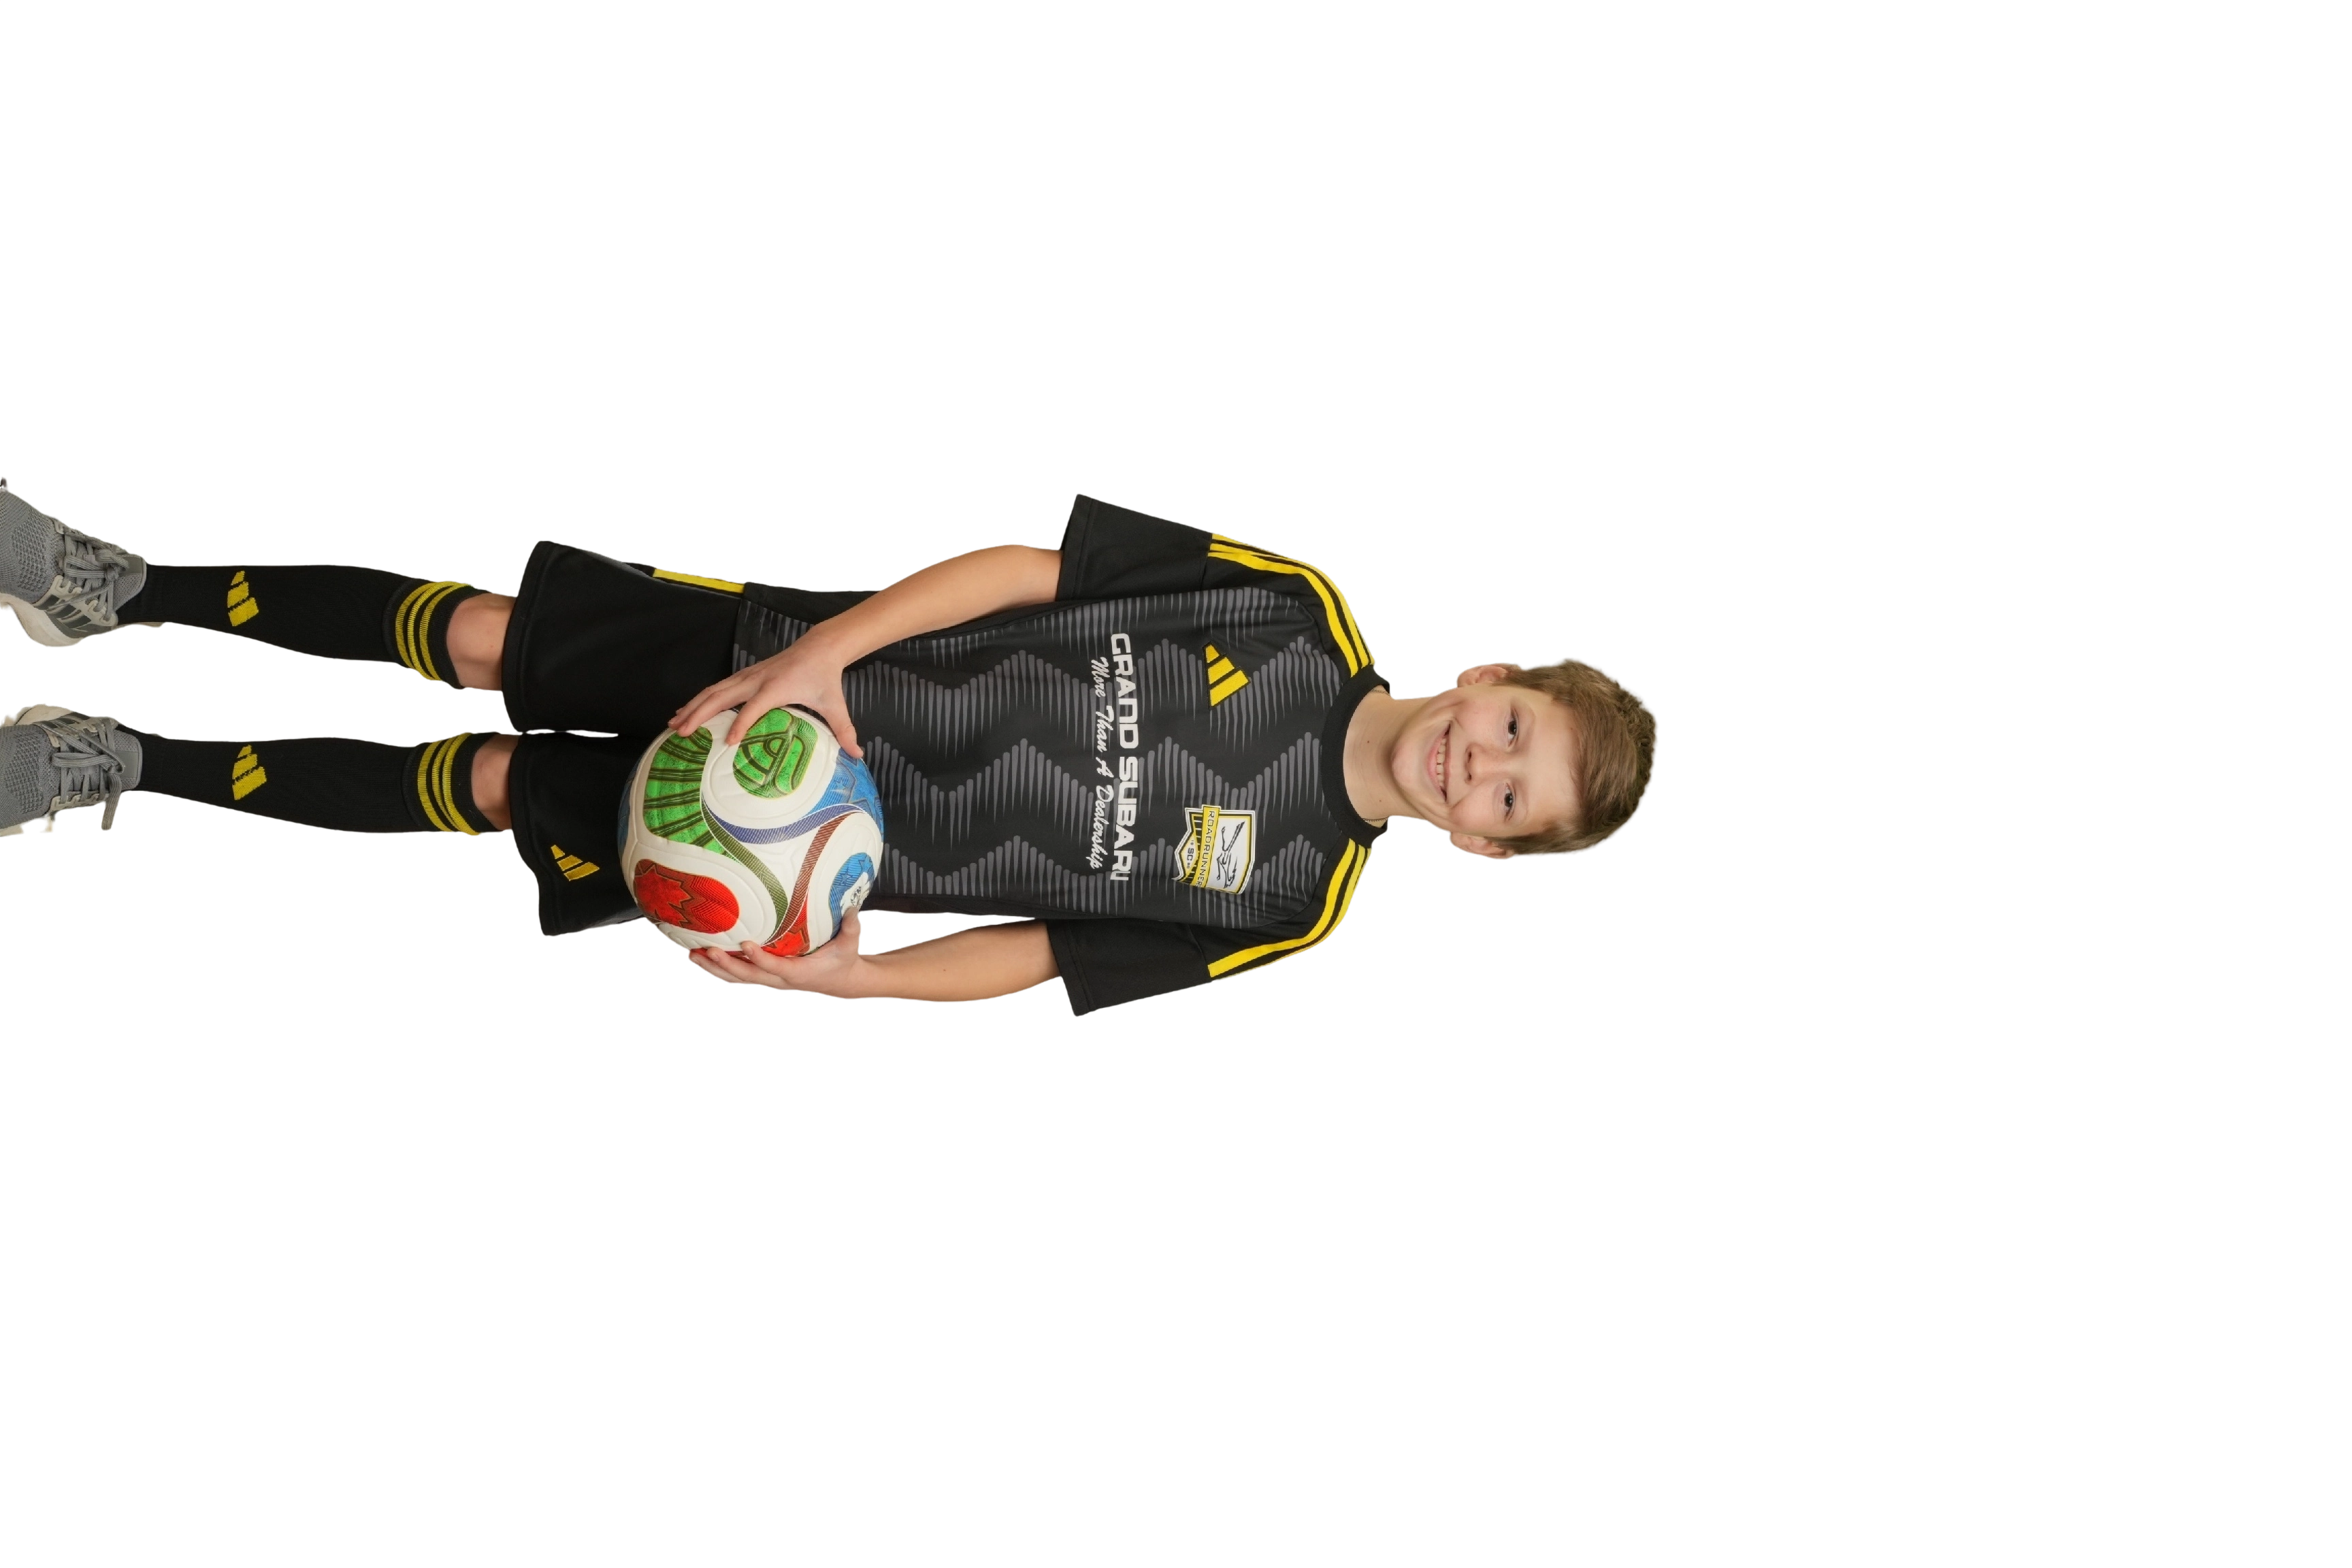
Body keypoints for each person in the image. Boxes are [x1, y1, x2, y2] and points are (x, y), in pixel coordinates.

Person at [2, 485, 1661, 1014]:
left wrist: (858, 979)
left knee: (504, 791)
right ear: (1487, 676)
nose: (1479, 767)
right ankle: (114, 586)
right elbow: (1027, 572)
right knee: (490, 638)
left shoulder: (1287, 903)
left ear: (1487, 846)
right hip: (785, 668)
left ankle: (119, 763)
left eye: (1510, 800)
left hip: (774, 848)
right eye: (1510, 731)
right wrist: (813, 659)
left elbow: (1048, 955)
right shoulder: (1292, 610)